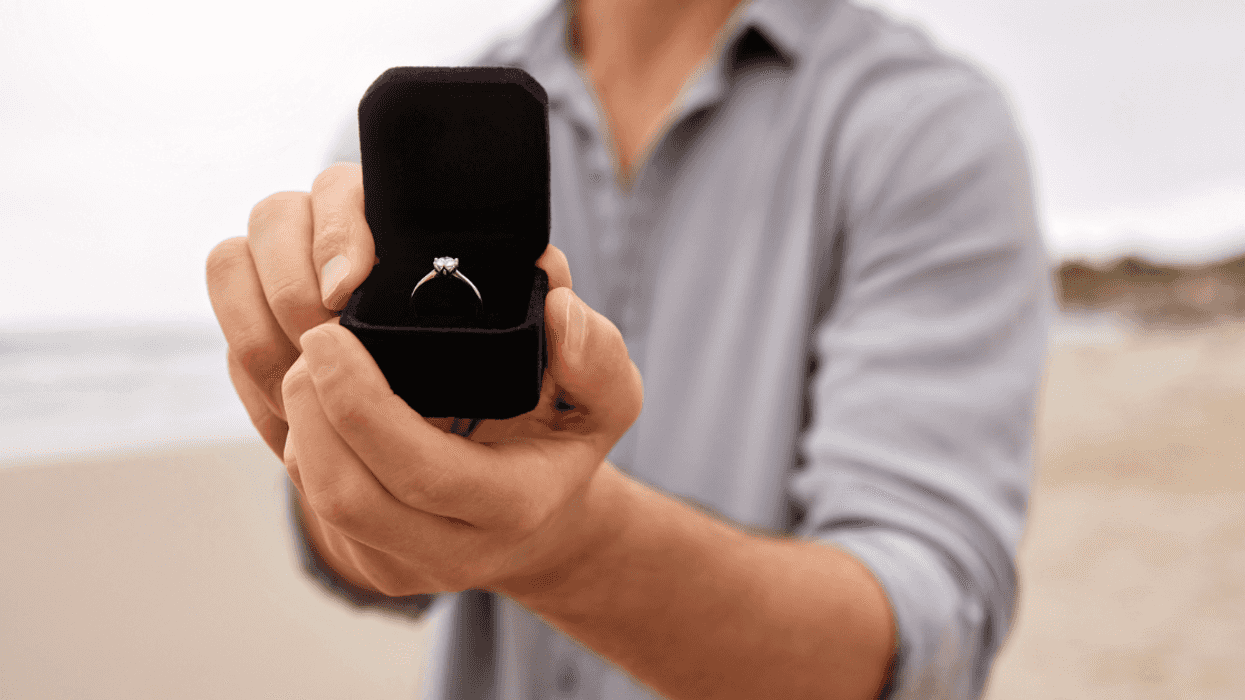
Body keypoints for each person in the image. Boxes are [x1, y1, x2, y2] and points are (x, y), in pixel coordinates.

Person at [205, 0, 1051, 697]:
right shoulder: (417, 132)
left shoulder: (920, 126)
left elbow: (922, 639)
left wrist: (562, 543)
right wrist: (353, 495)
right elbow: (356, 557)